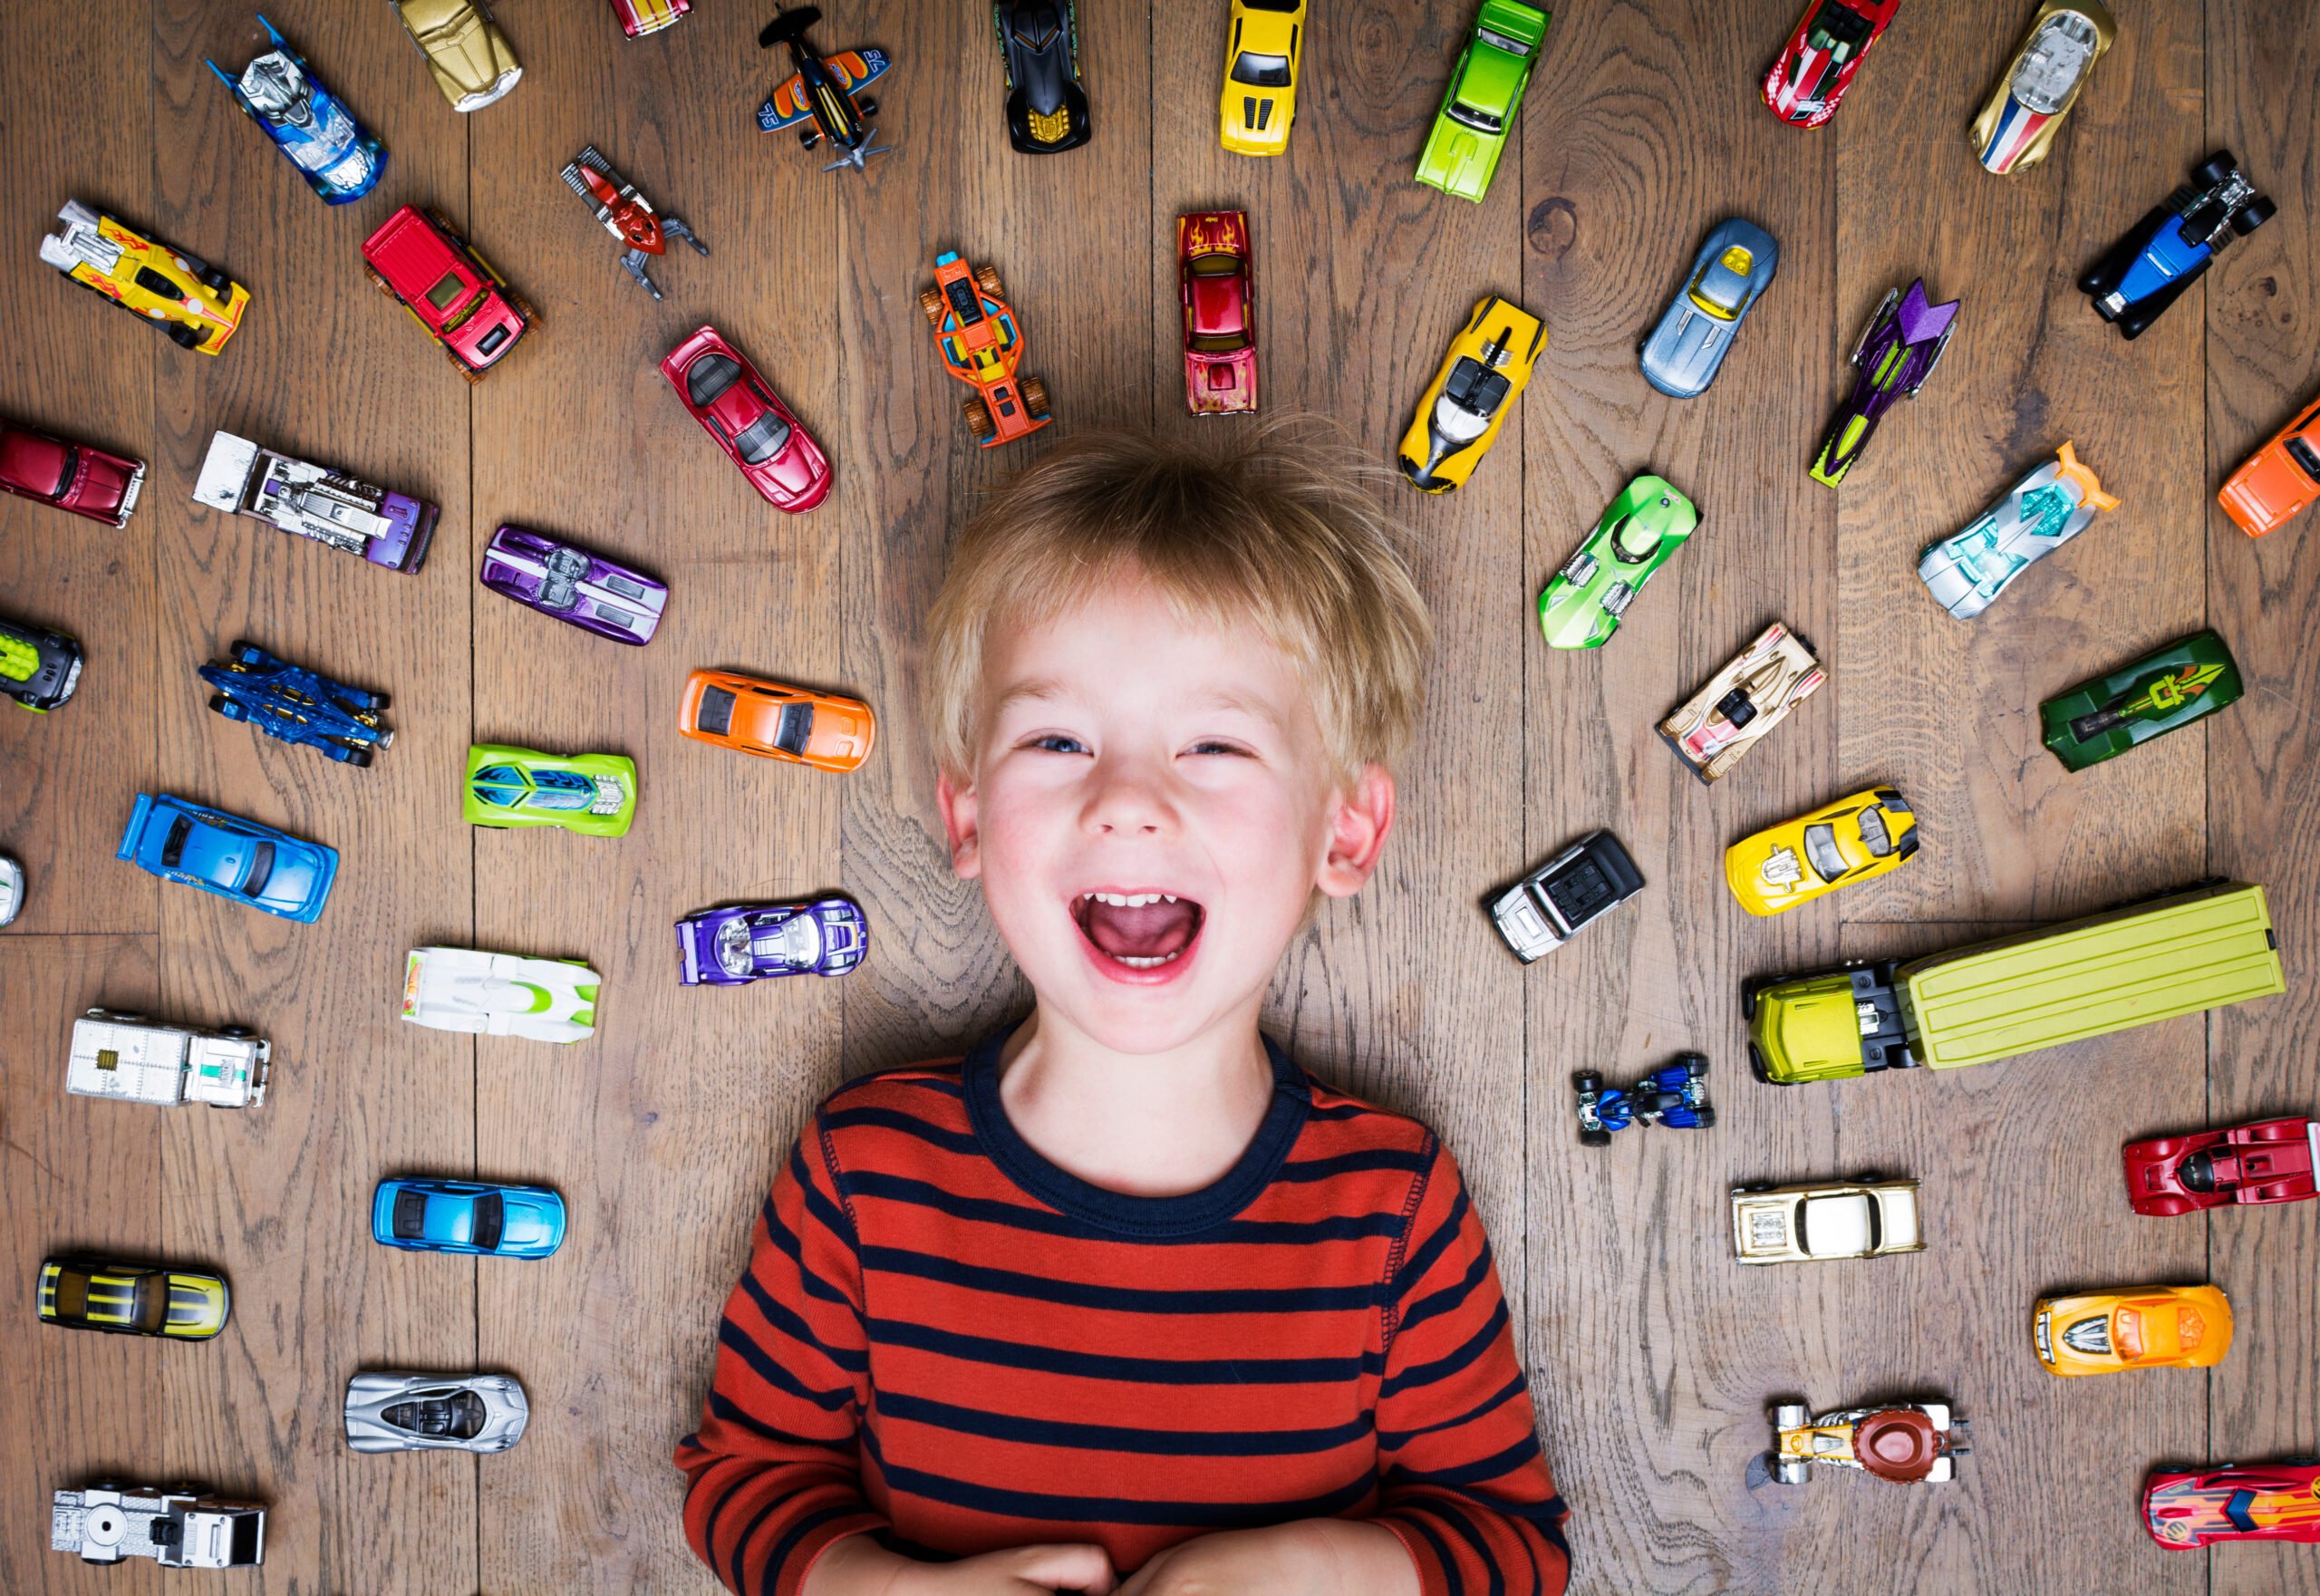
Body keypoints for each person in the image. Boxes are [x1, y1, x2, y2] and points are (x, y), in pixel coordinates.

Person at [676, 426, 1570, 1595]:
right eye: (1057, 739)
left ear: (1343, 831)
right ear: (967, 819)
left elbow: (1515, 1550)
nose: (1129, 801)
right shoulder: (864, 1172)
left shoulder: (1393, 1211)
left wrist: (1312, 1574)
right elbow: (743, 1478)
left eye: (1214, 742)